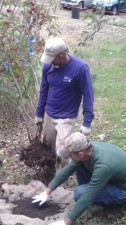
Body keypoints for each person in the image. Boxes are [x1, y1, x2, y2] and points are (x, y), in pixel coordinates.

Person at [32, 132, 126, 225]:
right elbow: (68, 170)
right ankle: (98, 192)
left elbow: (89, 195)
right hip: (114, 178)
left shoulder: (103, 166)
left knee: (80, 194)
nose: (69, 157)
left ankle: (118, 203)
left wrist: (66, 222)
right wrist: (48, 191)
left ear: (80, 154)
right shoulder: (88, 149)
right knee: (78, 165)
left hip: (125, 191)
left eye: (70, 155)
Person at [35, 37, 94, 172]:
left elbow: (88, 95)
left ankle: (60, 183)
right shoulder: (48, 66)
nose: (49, 62)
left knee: (62, 151)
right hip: (49, 114)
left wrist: (87, 122)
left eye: (52, 59)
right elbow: (43, 90)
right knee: (48, 146)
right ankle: (47, 174)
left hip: (66, 117)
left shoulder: (80, 68)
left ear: (62, 56)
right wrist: (39, 113)